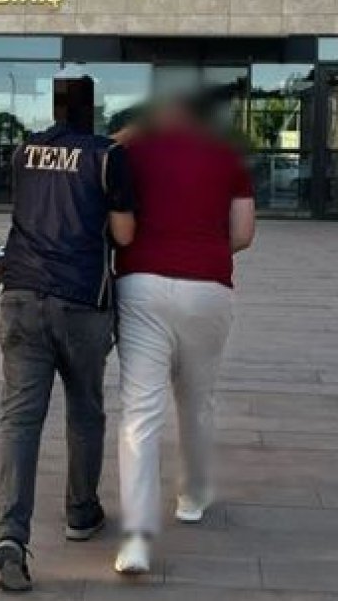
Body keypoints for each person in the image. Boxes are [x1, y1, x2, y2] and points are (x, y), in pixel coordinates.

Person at [0, 76, 137, 593]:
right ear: (91, 109)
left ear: (54, 107)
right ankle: (80, 511)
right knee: (85, 411)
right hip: (81, 302)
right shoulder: (107, 157)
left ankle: (11, 537)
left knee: (19, 421)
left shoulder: (23, 153)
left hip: (20, 296)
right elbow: (124, 235)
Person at [110, 98, 256, 574]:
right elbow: (243, 233)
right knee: (197, 400)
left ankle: (136, 538)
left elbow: (95, 155)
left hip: (140, 285)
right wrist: (204, 247)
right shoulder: (227, 154)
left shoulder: (132, 151)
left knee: (139, 411)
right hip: (208, 287)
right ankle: (192, 496)